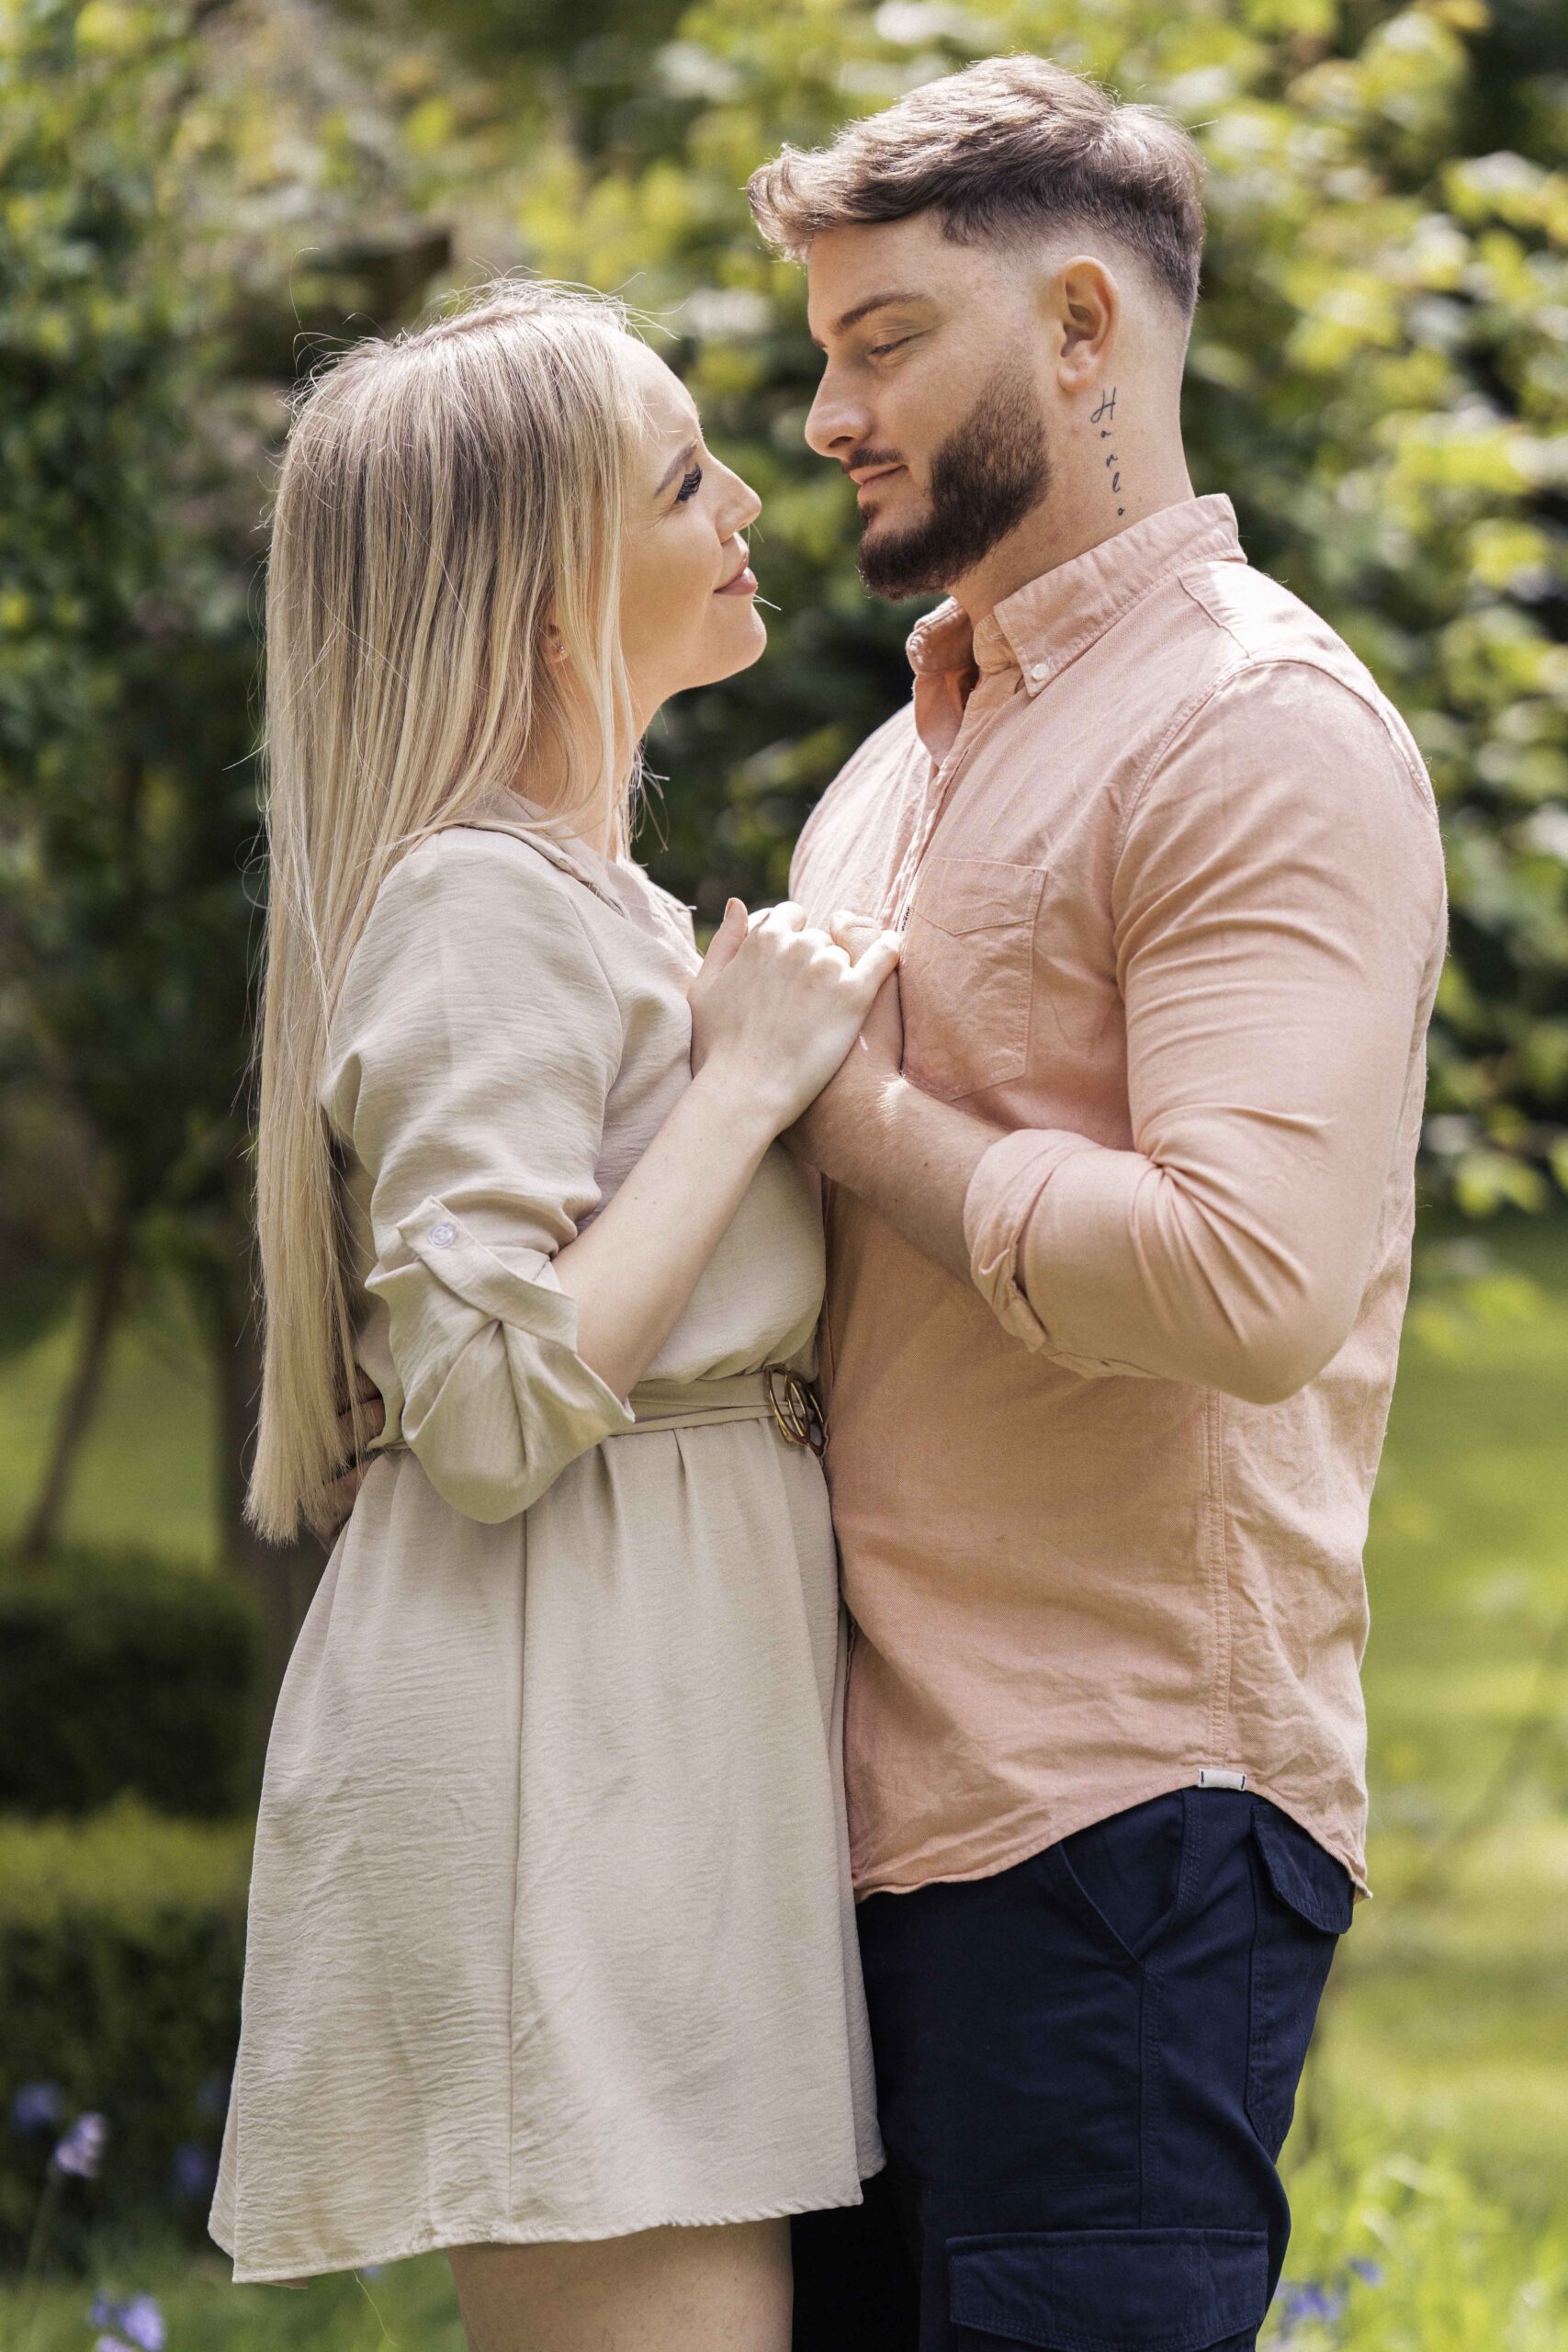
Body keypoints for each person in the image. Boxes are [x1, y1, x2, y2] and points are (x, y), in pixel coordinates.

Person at [743, 55, 1449, 2352]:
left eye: (881, 344)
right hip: (835, 1829)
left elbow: (1249, 1281)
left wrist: (848, 1120)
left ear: (1077, 326)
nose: (825, 412)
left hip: (1116, 1825)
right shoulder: (887, 765)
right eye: (819, 350)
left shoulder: (1253, 730)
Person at [208, 279, 903, 2352]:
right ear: (538, 598)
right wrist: (748, 1080)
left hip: (644, 1739)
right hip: (564, 1777)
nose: (748, 497)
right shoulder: (473, 901)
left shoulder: (570, 899)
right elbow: (492, 1399)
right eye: (685, 476)